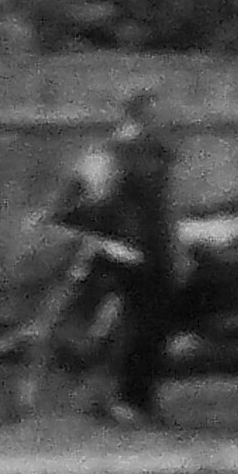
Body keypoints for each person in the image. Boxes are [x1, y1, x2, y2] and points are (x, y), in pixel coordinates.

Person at [37, 92, 183, 424]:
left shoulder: (159, 156)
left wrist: (176, 251)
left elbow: (166, 208)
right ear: (138, 117)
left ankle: (135, 399)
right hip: (115, 253)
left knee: (153, 328)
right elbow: (79, 208)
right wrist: (104, 243)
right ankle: (110, 397)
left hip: (152, 251)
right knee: (120, 326)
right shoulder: (109, 155)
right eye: (159, 115)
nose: (167, 122)